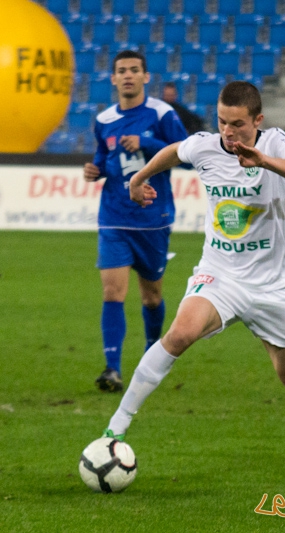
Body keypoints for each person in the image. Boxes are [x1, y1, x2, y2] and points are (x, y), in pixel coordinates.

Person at [102, 81, 285, 485]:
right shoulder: (207, 146)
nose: (228, 131)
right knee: (178, 335)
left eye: (238, 124)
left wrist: (263, 161)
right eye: (222, 122)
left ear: (257, 120)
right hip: (220, 275)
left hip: (272, 286)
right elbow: (174, 151)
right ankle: (114, 429)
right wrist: (139, 178)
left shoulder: (274, 143)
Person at [83, 50, 188, 392]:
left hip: (152, 220)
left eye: (134, 70)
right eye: (121, 71)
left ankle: (151, 357)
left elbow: (187, 155)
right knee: (112, 291)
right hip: (114, 217)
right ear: (112, 79)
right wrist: (94, 170)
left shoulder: (162, 114)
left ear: (145, 77)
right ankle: (111, 368)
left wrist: (147, 141)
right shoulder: (104, 120)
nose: (127, 75)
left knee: (151, 298)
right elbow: (103, 157)